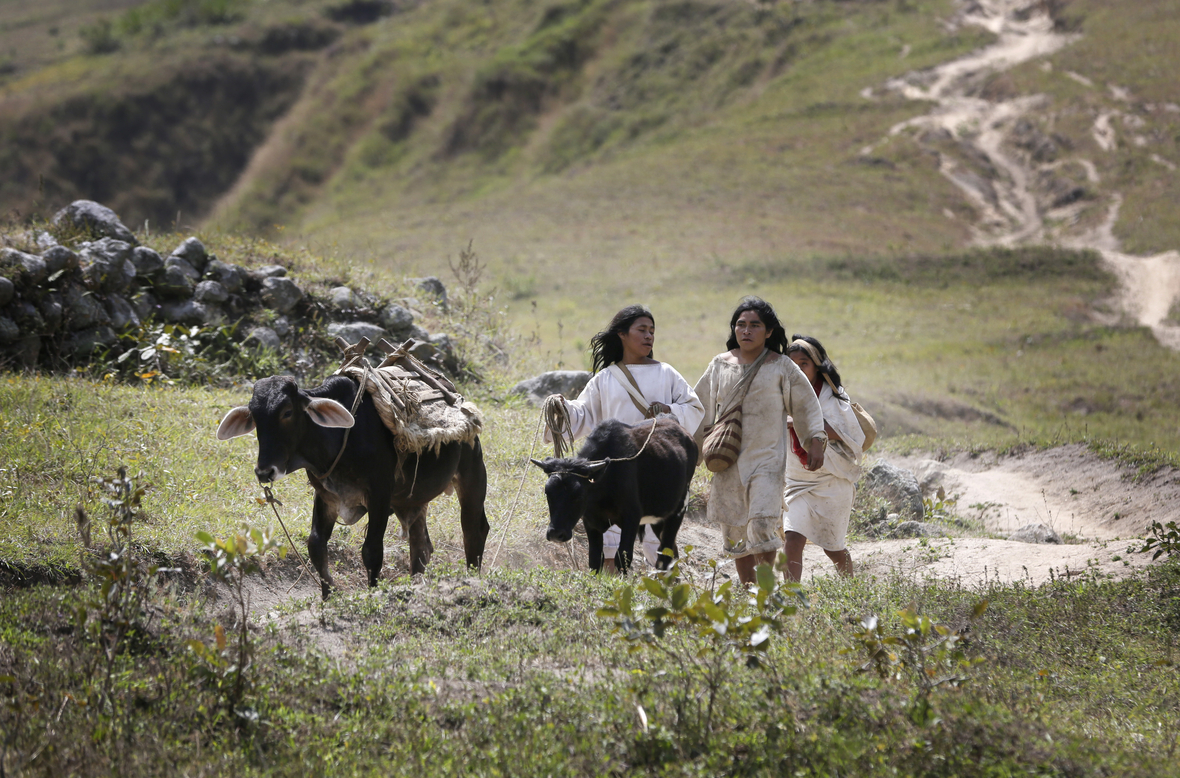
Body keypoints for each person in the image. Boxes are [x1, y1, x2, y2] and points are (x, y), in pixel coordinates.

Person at [545, 304, 705, 572]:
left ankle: (663, 603)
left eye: (652, 331)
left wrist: (669, 411)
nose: (649, 336)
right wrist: (563, 409)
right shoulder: (605, 379)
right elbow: (583, 414)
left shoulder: (666, 373)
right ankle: (613, 607)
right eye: (641, 330)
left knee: (658, 543)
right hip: (614, 476)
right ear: (621, 334)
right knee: (611, 549)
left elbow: (694, 408)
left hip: (655, 468)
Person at [693, 297, 827, 586]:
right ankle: (748, 592)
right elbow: (699, 408)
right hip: (727, 461)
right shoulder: (719, 365)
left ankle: (766, 598)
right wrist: (692, 452)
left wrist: (815, 440)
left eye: (755, 325)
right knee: (735, 531)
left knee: (763, 525)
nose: (747, 330)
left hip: (767, 461)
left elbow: (806, 405)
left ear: (768, 332)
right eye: (741, 324)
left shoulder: (781, 367)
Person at [782, 335, 865, 582]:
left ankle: (851, 590)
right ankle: (790, 599)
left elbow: (845, 432)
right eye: (792, 364)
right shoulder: (781, 392)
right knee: (792, 537)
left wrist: (803, 424)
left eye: (804, 364)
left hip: (831, 482)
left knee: (833, 548)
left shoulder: (833, 395)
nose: (797, 369)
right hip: (797, 482)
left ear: (817, 366)